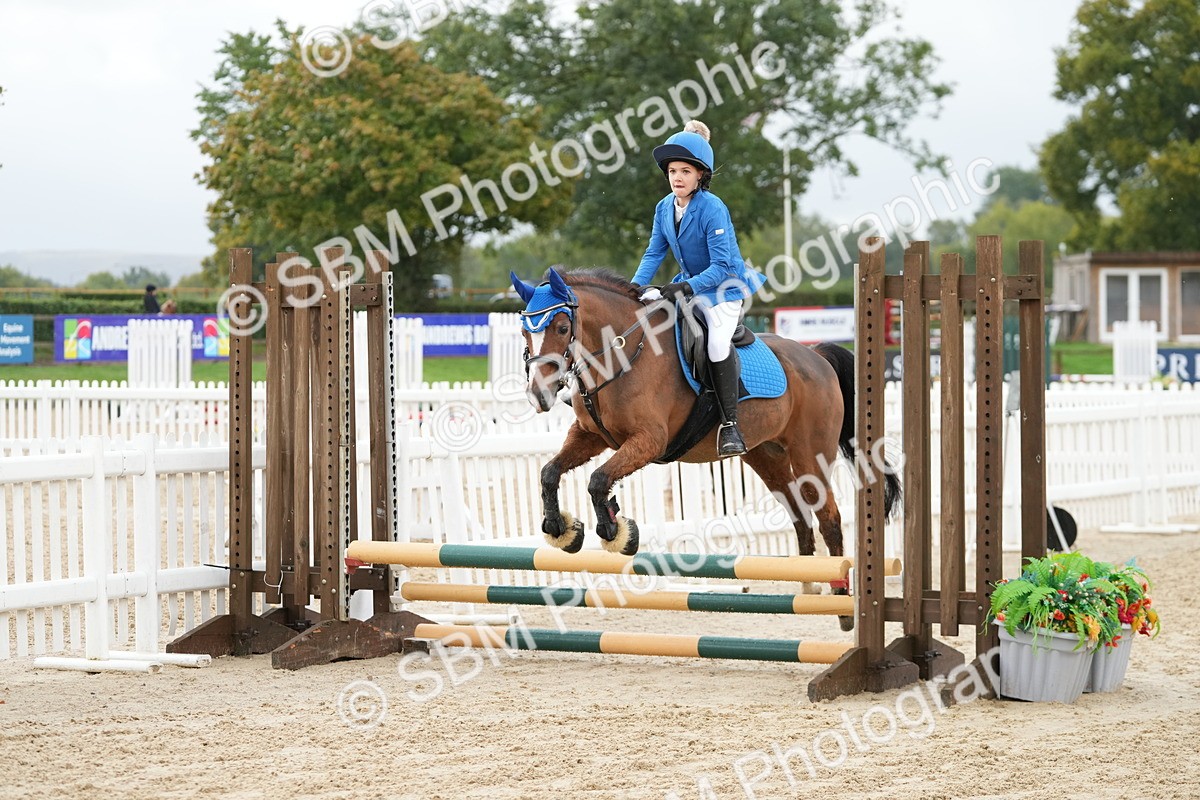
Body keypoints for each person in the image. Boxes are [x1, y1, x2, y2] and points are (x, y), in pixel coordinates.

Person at [631, 120, 765, 457]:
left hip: (725, 287)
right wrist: (632, 288)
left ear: (700, 175)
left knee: (716, 343)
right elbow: (654, 252)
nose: (677, 177)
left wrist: (685, 287)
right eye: (673, 171)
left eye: (686, 171)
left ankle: (731, 424)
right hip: (689, 285)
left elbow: (722, 267)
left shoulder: (713, 207)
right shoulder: (664, 208)